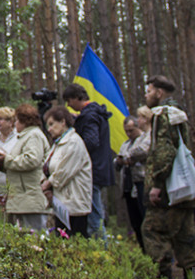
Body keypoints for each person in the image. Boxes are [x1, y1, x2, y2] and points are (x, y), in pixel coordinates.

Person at [141, 75, 195, 279]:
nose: (146, 95)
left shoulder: (162, 115)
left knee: (153, 231)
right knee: (186, 236)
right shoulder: (180, 113)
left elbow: (164, 151)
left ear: (159, 93)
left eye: (148, 91)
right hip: (184, 187)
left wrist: (157, 184)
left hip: (169, 189)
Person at [0, 104, 51, 231]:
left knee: (35, 234)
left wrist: (5, 160)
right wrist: (2, 164)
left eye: (18, 121)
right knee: (24, 235)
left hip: (31, 195)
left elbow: (31, 160)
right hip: (22, 196)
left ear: (25, 121)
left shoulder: (34, 135)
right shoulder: (25, 136)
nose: (15, 124)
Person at [63, 83, 115, 238]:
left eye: (69, 101)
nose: (69, 105)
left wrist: (74, 152)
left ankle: (102, 252)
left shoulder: (90, 115)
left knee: (94, 216)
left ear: (75, 98)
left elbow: (91, 141)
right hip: (99, 168)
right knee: (95, 213)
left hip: (92, 170)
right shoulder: (95, 113)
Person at [40, 106, 92, 237]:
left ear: (63, 122)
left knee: (75, 240)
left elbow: (63, 172)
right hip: (60, 202)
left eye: (52, 124)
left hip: (73, 202)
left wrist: (46, 186)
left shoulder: (74, 142)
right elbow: (46, 166)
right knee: (62, 241)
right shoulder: (57, 144)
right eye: (48, 125)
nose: (49, 129)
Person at [115, 116, 149, 249]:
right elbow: (118, 162)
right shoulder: (125, 144)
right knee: (136, 223)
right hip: (128, 187)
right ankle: (143, 251)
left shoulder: (144, 140)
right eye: (126, 131)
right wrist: (119, 161)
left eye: (131, 130)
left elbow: (140, 153)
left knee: (146, 220)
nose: (129, 134)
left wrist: (128, 158)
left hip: (142, 184)